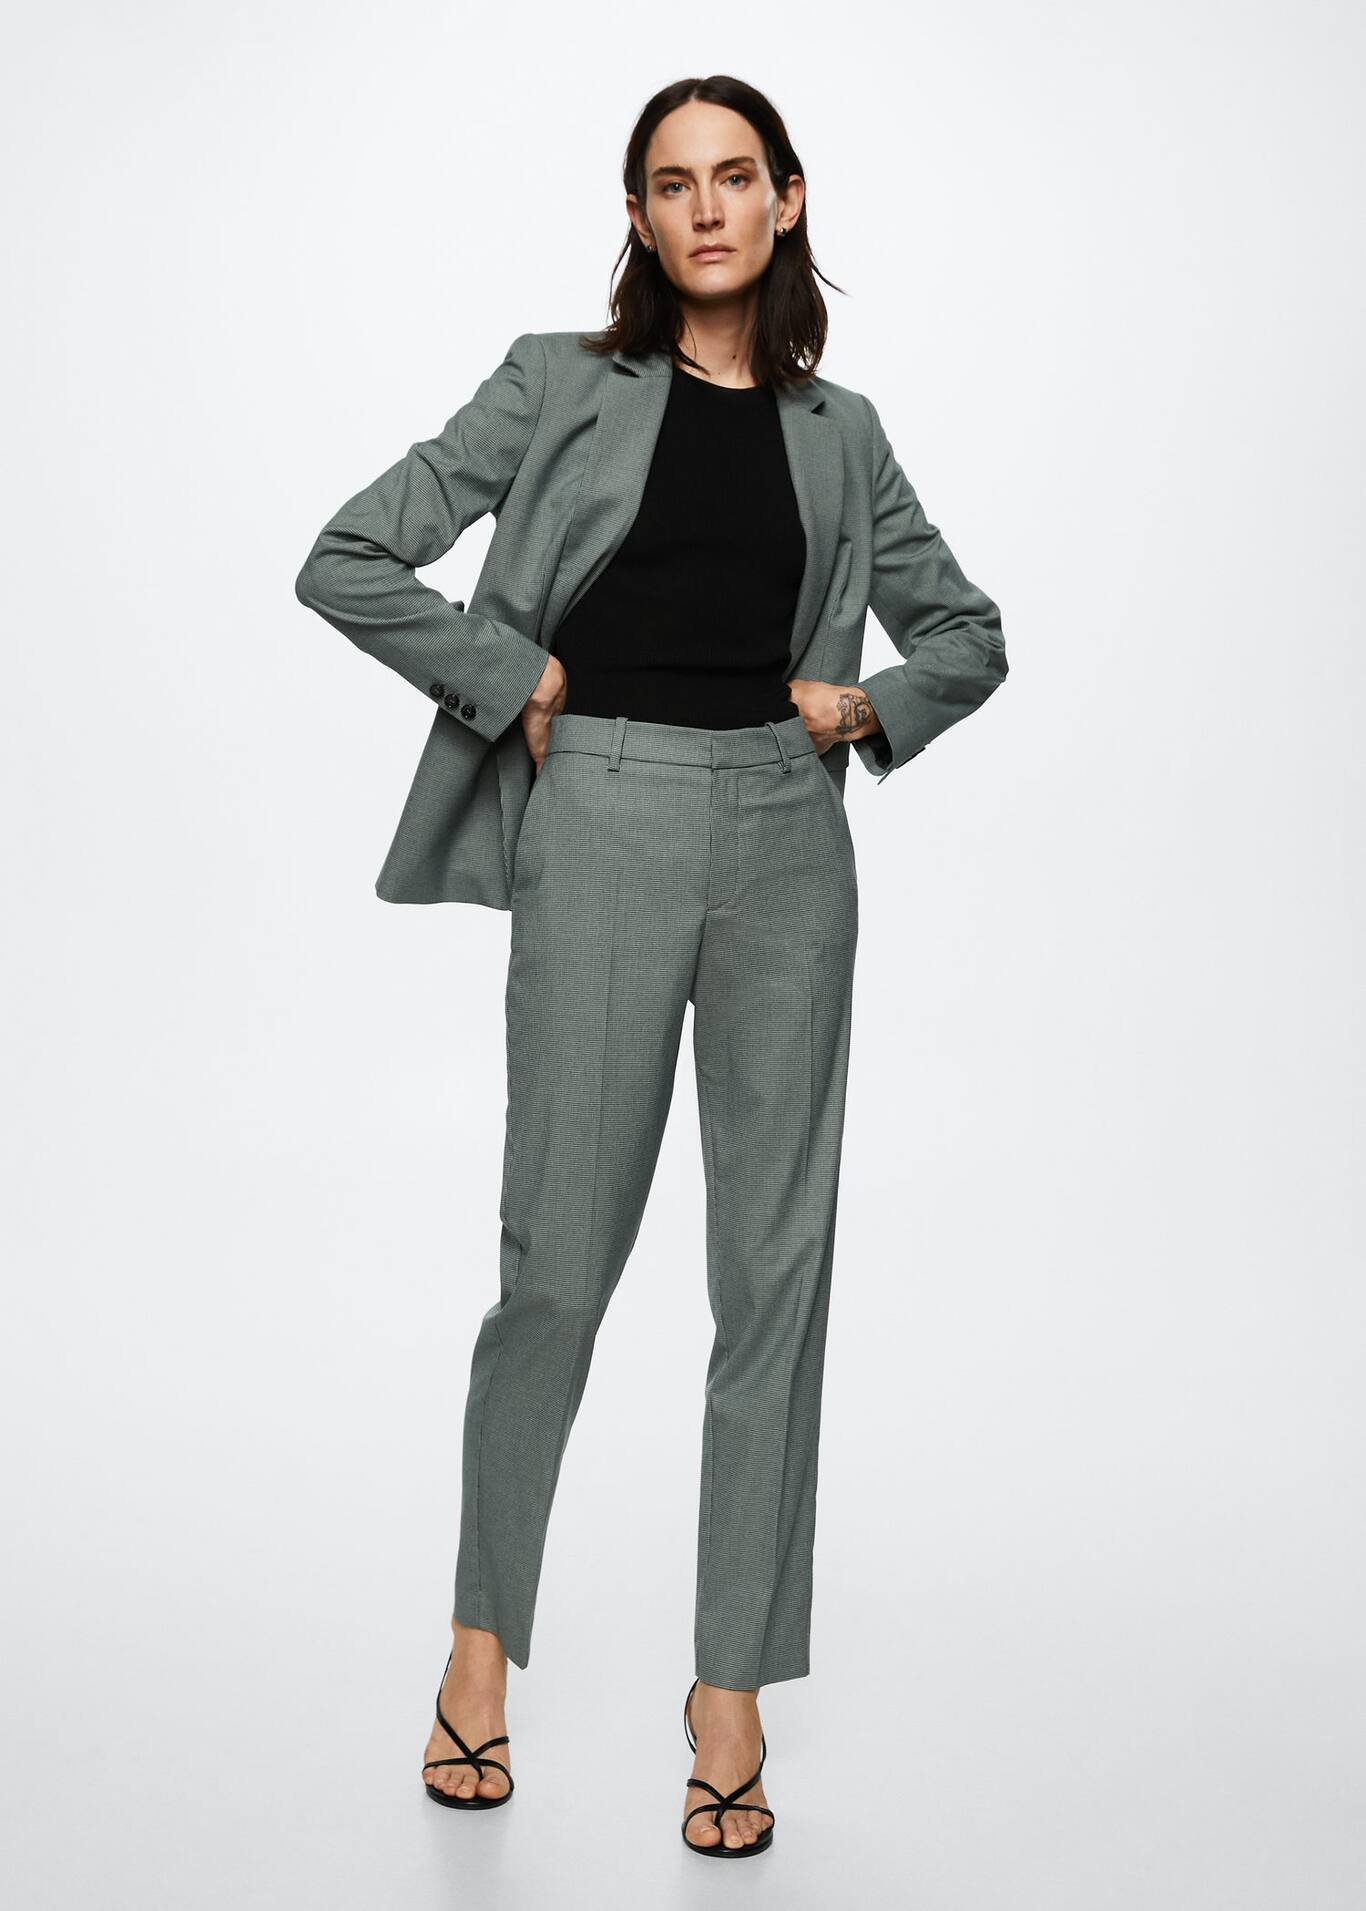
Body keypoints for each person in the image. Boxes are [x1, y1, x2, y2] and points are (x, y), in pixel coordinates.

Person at [294, 73, 1008, 1858]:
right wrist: (512, 676)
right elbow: (347, 555)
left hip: (784, 836)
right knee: (555, 1265)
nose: (705, 207)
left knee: (773, 1277)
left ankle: (729, 1692)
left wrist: (869, 707)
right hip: (598, 813)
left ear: (784, 200)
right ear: (637, 216)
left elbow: (966, 632)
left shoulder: (842, 431)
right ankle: (479, 1650)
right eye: (671, 183)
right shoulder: (556, 382)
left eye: (734, 177)